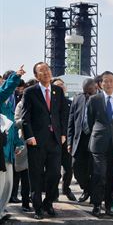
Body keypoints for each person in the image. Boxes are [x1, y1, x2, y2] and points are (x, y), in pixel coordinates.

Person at [21, 62, 68, 219]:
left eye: (47, 69)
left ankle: (48, 203)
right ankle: (38, 208)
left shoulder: (58, 91)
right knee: (36, 175)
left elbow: (62, 113)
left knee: (55, 174)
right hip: (36, 141)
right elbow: (25, 117)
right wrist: (29, 136)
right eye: (42, 71)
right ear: (36, 76)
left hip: (55, 140)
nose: (46, 73)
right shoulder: (30, 92)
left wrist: (63, 134)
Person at [85, 71, 113, 217]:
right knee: (99, 175)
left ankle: (109, 205)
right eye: (105, 81)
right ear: (100, 84)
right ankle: (96, 205)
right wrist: (99, 133)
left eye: (111, 81)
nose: (108, 84)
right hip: (99, 143)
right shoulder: (94, 99)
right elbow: (89, 122)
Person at [0, 66, 25, 223]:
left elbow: (13, 124)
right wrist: (15, 76)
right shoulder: (3, 95)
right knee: (0, 181)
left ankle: (2, 210)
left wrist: (18, 143)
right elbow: (5, 90)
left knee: (8, 183)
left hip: (9, 147)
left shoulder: (13, 98)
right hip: (1, 148)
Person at [67, 78, 97, 203]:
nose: (87, 95)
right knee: (76, 167)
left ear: (95, 88)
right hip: (79, 140)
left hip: (95, 139)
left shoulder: (100, 99)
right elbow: (71, 120)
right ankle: (87, 188)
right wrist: (69, 141)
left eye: (89, 92)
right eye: (85, 92)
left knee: (94, 169)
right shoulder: (77, 99)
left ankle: (94, 195)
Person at [13, 79, 38, 213]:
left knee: (38, 175)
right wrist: (27, 122)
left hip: (40, 143)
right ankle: (25, 203)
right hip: (24, 143)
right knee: (25, 176)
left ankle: (36, 201)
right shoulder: (21, 105)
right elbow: (16, 121)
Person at [51, 78, 76, 201]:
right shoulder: (49, 103)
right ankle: (53, 192)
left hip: (67, 141)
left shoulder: (70, 103)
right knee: (54, 170)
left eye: (62, 85)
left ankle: (66, 189)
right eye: (57, 86)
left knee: (68, 168)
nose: (61, 87)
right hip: (53, 140)